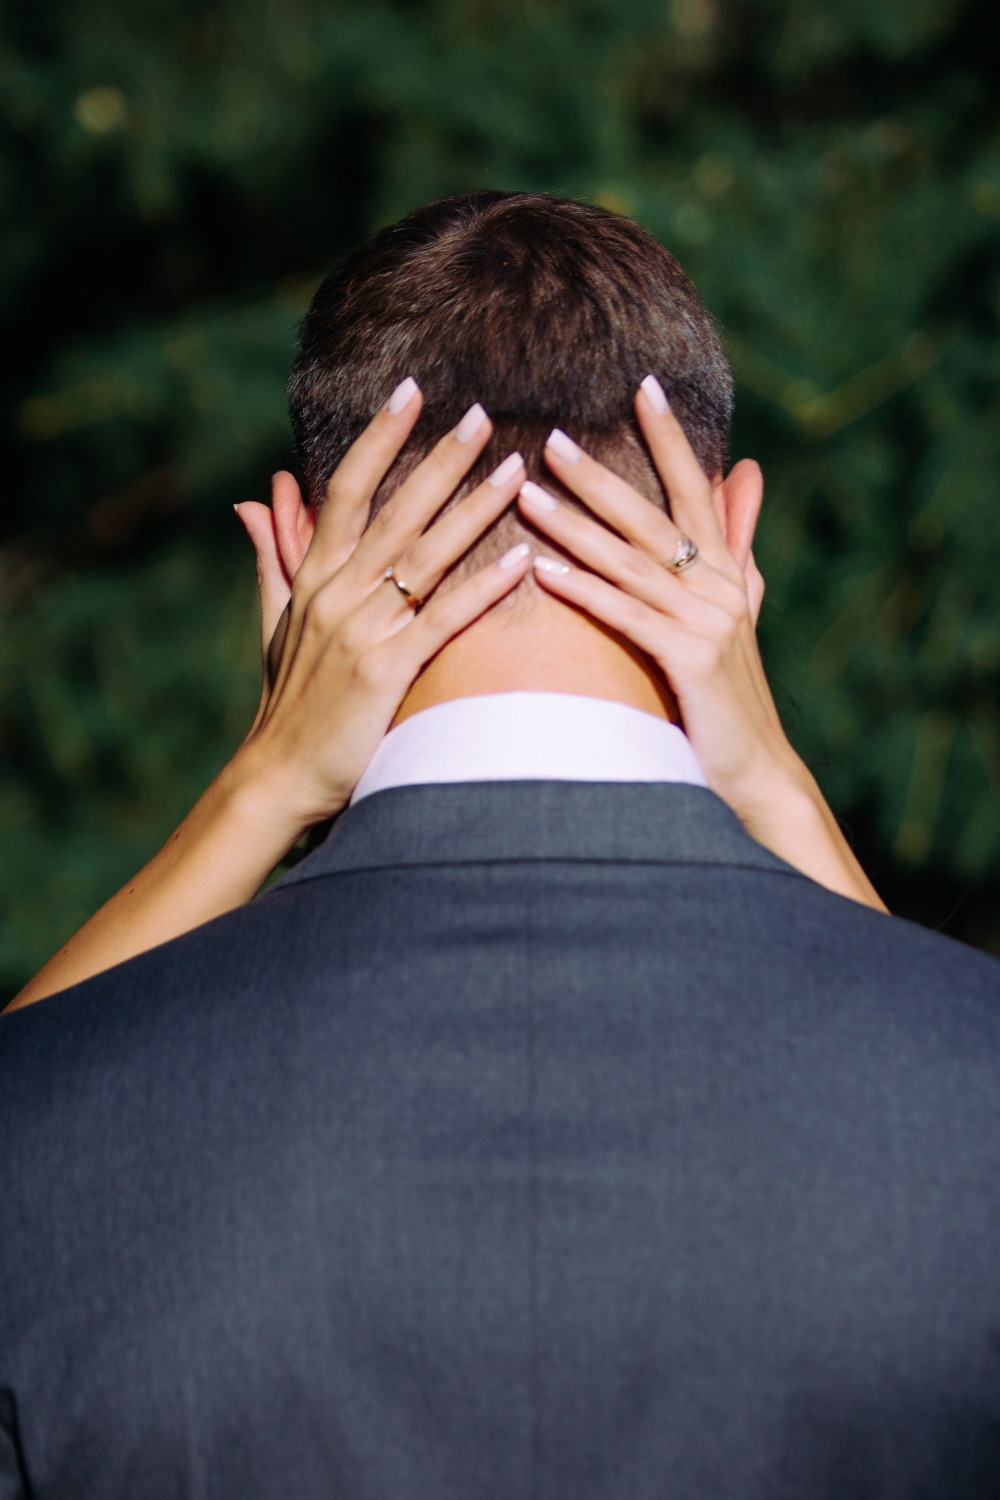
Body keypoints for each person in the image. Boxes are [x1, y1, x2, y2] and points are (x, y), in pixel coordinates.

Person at [1, 192, 999, 1499]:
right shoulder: (966, 1090)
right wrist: (778, 792)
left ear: (298, 552)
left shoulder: (49, 1124)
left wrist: (265, 784)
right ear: (732, 532)